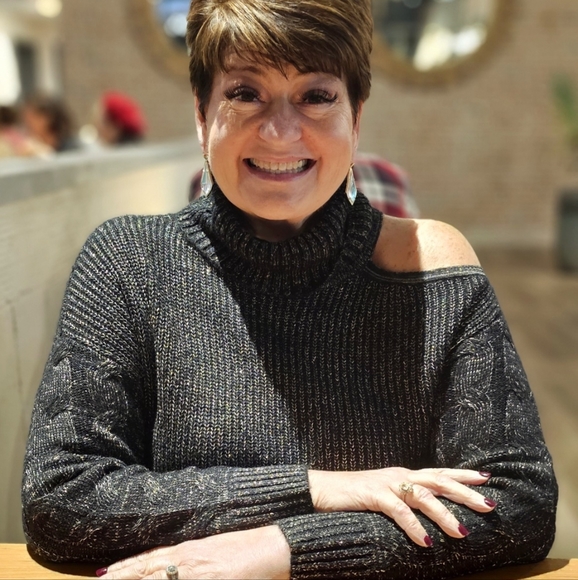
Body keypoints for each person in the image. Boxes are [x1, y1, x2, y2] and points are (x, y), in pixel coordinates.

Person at [21, 0, 557, 579]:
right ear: (202, 114)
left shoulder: (431, 267)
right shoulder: (128, 261)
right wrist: (319, 489)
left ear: (356, 116)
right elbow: (61, 500)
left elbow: (519, 504)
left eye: (316, 96)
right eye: (244, 93)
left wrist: (279, 549)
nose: (280, 131)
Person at [189, 150, 420, 218]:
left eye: (316, 98)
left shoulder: (387, 178)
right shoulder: (389, 176)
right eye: (246, 95)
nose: (279, 137)